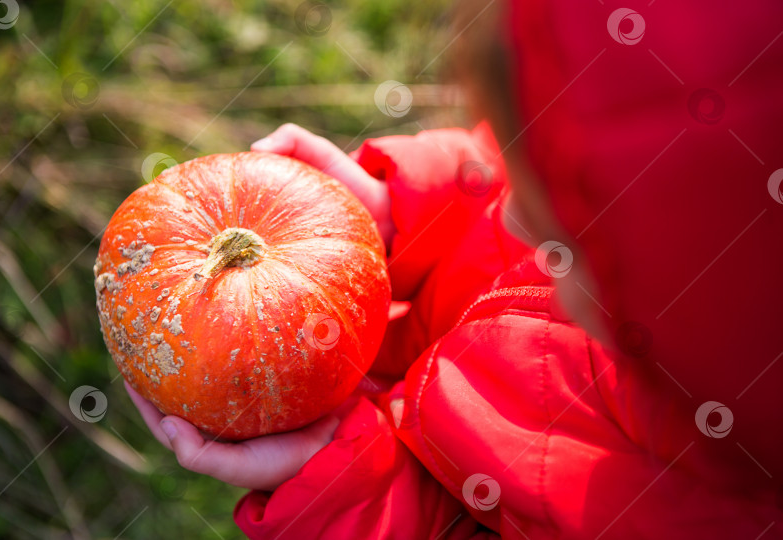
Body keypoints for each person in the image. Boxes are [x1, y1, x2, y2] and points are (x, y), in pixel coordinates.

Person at [126, 0, 783, 537]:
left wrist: (340, 490)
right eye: (530, 165)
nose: (518, 218)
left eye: (570, 237)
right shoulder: (663, 200)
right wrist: (406, 210)